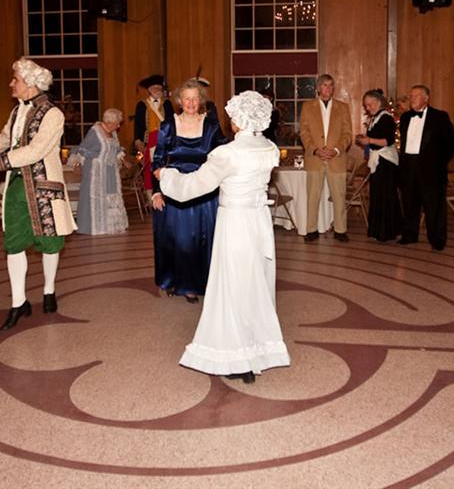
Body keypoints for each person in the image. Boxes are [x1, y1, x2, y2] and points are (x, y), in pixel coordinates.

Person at [158, 90, 290, 384]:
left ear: (238, 121)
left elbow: (192, 187)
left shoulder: (228, 153)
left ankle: (236, 356)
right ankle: (257, 350)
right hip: (259, 223)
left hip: (235, 222)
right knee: (256, 284)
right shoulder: (268, 148)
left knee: (232, 286)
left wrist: (167, 176)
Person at [0, 58, 76, 331]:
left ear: (30, 83)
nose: (11, 83)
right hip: (17, 186)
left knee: (50, 242)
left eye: (15, 79)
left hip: (44, 187)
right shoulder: (16, 112)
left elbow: (36, 151)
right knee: (14, 242)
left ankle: (49, 291)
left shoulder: (54, 114)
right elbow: (5, 139)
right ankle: (19, 302)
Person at [151, 79, 226, 301]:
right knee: (179, 240)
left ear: (201, 100)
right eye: (187, 98)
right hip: (175, 192)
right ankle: (179, 282)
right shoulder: (167, 126)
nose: (191, 102)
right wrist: (156, 192)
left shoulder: (211, 125)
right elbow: (157, 161)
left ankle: (204, 283)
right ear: (179, 101)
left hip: (205, 192)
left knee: (204, 239)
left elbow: (222, 157)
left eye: (195, 98)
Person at [398, 84, 454, 251]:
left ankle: (437, 240)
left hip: (431, 170)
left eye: (416, 96)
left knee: (434, 207)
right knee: (409, 203)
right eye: (411, 96)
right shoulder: (405, 118)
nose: (412, 99)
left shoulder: (440, 117)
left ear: (426, 98)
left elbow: (451, 143)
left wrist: (439, 162)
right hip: (409, 166)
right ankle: (410, 234)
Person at [298, 73, 353, 243]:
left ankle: (340, 230)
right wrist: (315, 150)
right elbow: (304, 132)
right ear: (318, 88)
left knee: (339, 196)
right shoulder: (307, 107)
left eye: (330, 85)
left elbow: (347, 134)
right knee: (313, 196)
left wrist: (336, 150)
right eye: (324, 85)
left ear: (333, 88)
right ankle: (311, 230)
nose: (327, 88)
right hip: (315, 158)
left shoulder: (343, 107)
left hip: (336, 159)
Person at [69, 108, 128, 236]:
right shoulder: (95, 132)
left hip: (111, 170)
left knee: (111, 194)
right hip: (95, 171)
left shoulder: (113, 133)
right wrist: (77, 164)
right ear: (110, 121)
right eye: (117, 123)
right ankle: (91, 227)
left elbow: (116, 149)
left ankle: (110, 227)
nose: (118, 126)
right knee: (95, 197)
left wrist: (123, 160)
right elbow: (82, 148)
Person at [355, 89, 400, 242]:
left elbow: (388, 141)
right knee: (378, 196)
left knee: (385, 196)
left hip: (386, 162)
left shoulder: (386, 118)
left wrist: (369, 141)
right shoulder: (376, 118)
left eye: (370, 104)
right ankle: (378, 231)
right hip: (379, 161)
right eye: (366, 106)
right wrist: (366, 140)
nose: (368, 108)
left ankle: (387, 232)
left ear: (379, 102)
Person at [133, 75, 174, 191]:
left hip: (164, 140)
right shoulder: (142, 104)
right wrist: (138, 141)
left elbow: (171, 123)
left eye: (159, 88)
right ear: (149, 90)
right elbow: (138, 124)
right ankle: (150, 194)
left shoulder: (167, 104)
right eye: (155, 88)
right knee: (148, 168)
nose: (158, 90)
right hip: (148, 141)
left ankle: (165, 192)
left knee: (165, 166)